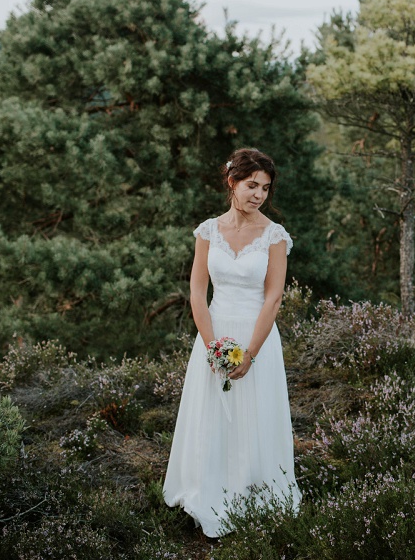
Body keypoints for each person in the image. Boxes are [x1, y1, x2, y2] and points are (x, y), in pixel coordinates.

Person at [164, 145, 300, 537]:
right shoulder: (208, 230)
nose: (258, 194)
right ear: (232, 182)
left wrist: (251, 353)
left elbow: (273, 297)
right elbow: (197, 292)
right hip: (215, 332)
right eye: (251, 185)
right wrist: (213, 348)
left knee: (255, 414)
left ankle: (255, 489)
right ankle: (208, 486)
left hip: (258, 335)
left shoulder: (274, 235)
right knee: (213, 416)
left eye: (265, 188)